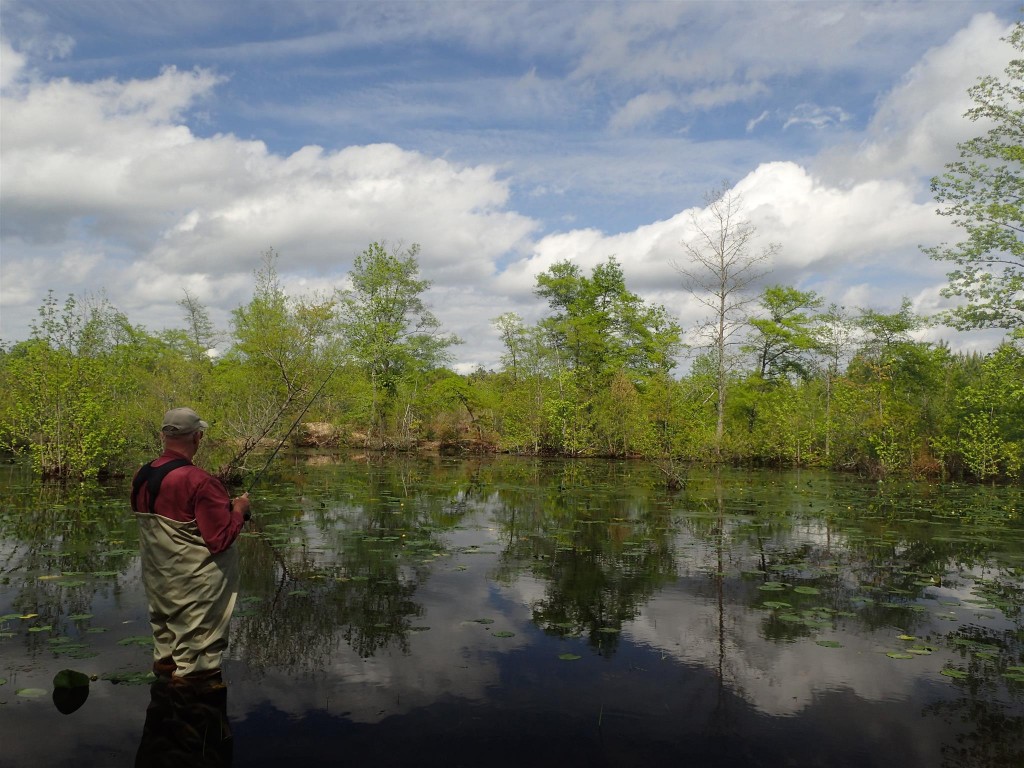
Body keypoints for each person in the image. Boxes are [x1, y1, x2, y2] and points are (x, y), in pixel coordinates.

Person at [131, 407, 251, 684]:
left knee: (166, 656)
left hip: (159, 584)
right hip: (196, 592)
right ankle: (196, 721)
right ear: (197, 437)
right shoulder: (201, 482)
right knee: (198, 669)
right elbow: (219, 539)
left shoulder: (141, 475)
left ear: (163, 435)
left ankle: (163, 715)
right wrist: (239, 510)